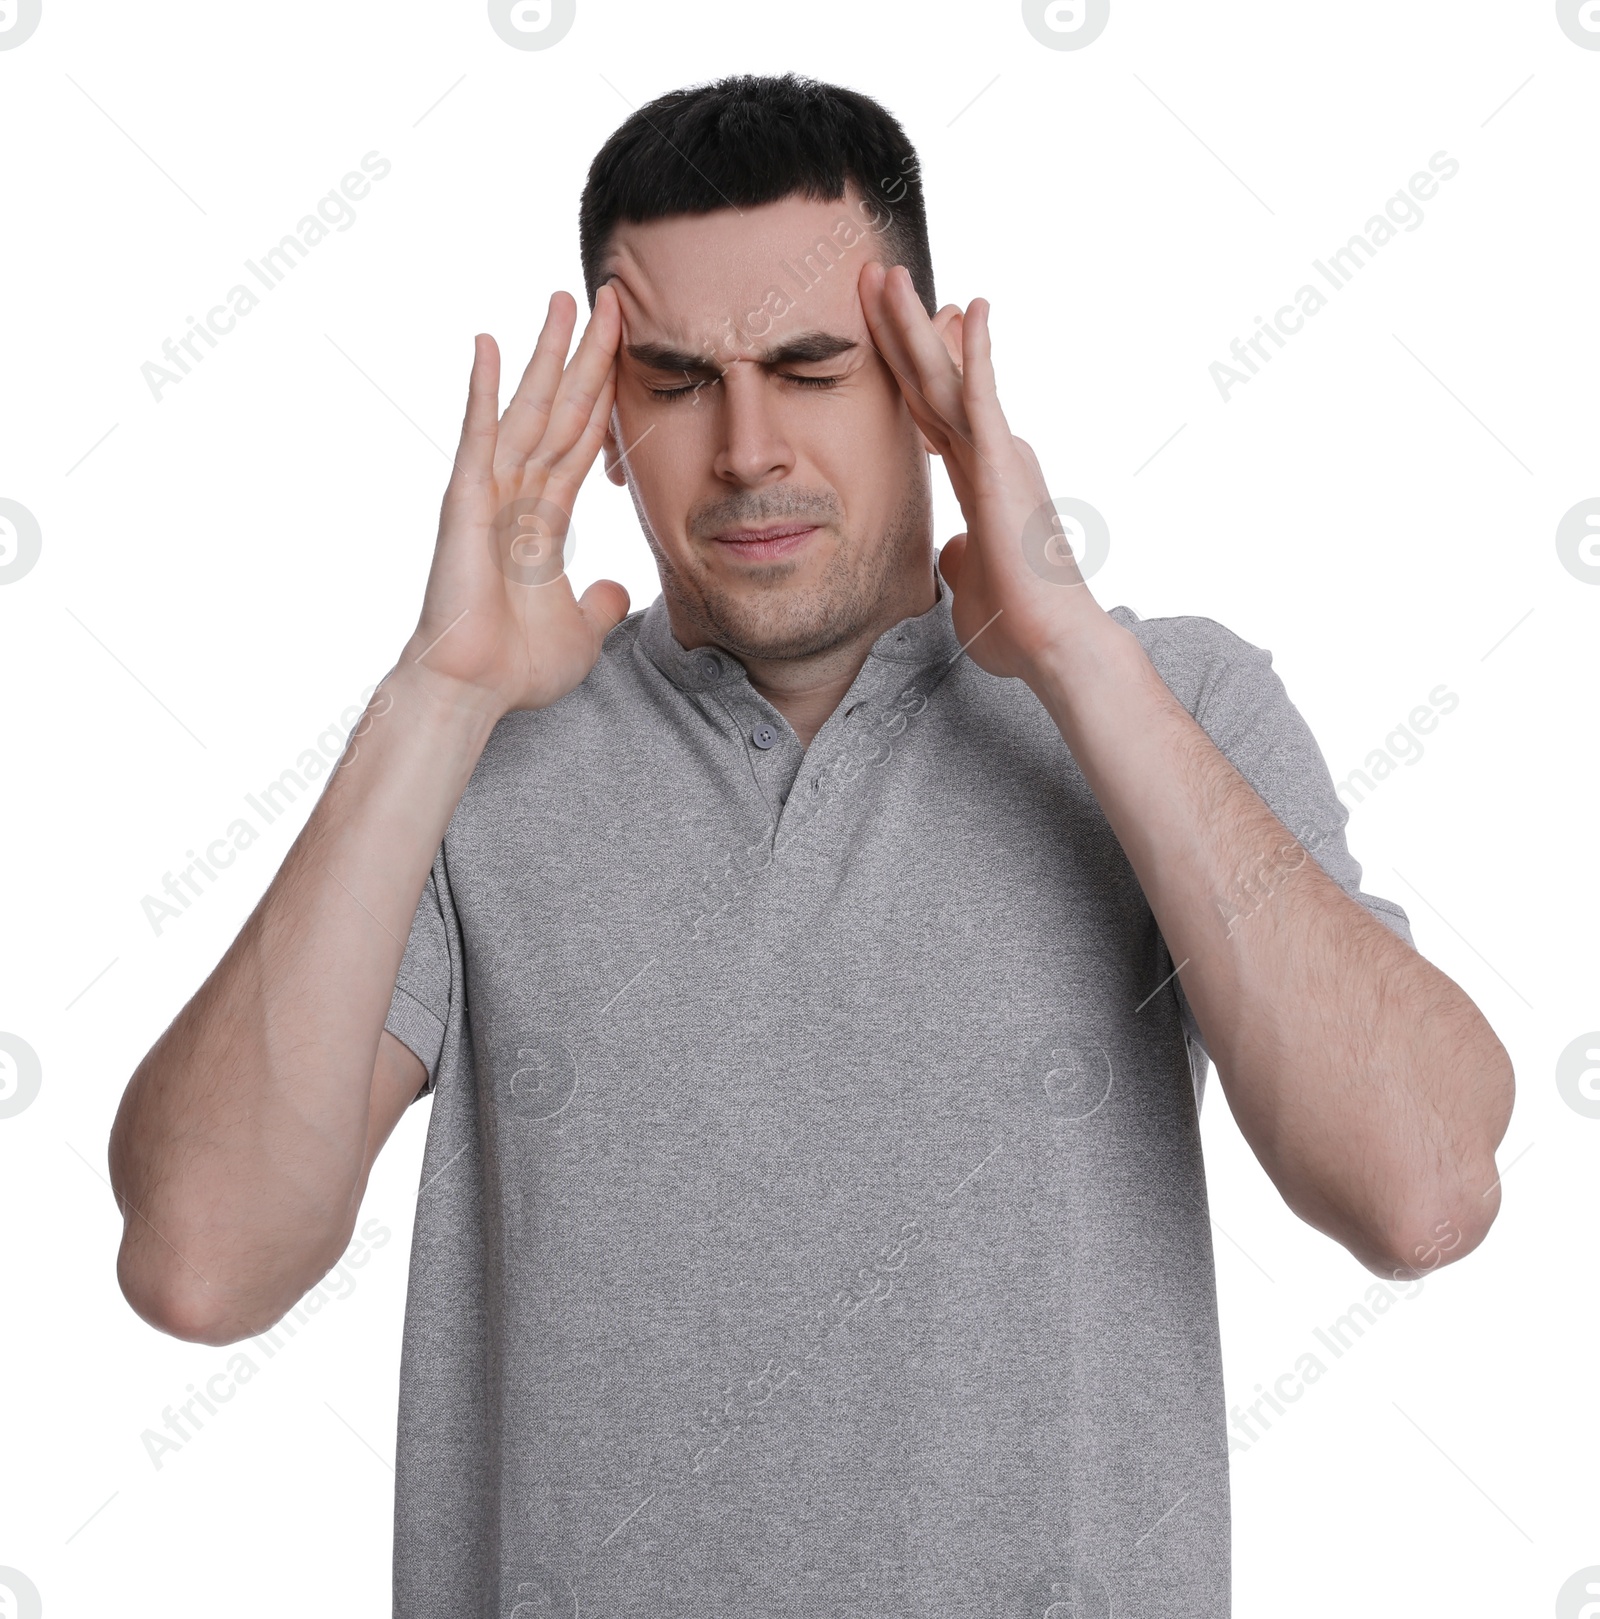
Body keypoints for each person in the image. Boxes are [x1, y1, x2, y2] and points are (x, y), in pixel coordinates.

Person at [107, 71, 1514, 1619]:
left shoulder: (1171, 702)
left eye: (809, 365)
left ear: (924, 376)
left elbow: (1422, 1189)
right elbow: (201, 1264)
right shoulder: (476, 764)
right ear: (607, 420)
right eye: (675, 380)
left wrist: (1069, 649)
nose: (747, 448)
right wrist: (433, 697)